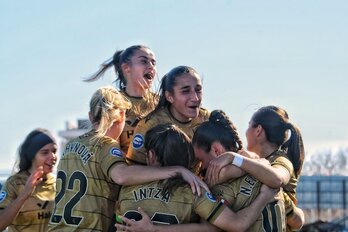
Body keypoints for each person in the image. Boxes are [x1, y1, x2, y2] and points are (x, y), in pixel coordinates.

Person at [48, 86, 207, 231]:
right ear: (122, 116)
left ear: (90, 116)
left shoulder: (70, 146)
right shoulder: (105, 144)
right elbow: (121, 175)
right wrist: (176, 170)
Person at [116, 123, 278, 232]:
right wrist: (264, 196)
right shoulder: (194, 190)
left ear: (150, 155)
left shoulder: (125, 189)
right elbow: (235, 225)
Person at [206, 106, 305, 231]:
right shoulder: (253, 160)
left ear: (258, 130)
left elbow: (277, 179)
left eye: (249, 126)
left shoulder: (281, 160)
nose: (246, 132)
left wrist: (233, 158)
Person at [192, 110, 286, 231]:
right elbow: (295, 217)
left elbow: (210, 229)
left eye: (200, 161)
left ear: (216, 151)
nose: (199, 168)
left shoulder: (221, 188)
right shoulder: (266, 171)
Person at [126, 65, 210, 170]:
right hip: (161, 183)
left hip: (196, 184)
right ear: (169, 96)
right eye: (185, 91)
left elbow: (233, 151)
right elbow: (132, 170)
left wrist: (230, 157)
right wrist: (176, 172)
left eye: (198, 90)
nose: (195, 98)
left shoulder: (206, 119)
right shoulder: (150, 125)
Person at [84, 45, 158, 154]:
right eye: (144, 61)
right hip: (125, 168)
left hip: (160, 169)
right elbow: (107, 147)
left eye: (153, 62)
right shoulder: (114, 103)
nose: (151, 66)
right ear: (126, 68)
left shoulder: (162, 103)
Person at [0, 128, 57, 232]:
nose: (52, 156)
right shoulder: (15, 183)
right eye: (45, 153)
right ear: (32, 156)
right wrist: (25, 194)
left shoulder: (59, 183)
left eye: (54, 151)